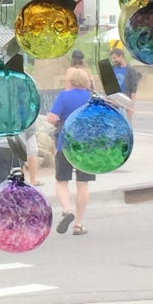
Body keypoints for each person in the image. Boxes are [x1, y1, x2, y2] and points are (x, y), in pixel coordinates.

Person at [46, 67, 95, 236]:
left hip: (66, 144)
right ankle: (78, 224)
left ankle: (67, 210)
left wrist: (60, 120)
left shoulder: (64, 96)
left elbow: (51, 118)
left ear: (71, 81)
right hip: (86, 146)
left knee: (62, 181)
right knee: (83, 183)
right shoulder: (92, 98)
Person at [110, 46, 141, 121]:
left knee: (127, 123)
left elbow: (133, 90)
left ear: (121, 56)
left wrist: (131, 107)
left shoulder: (130, 70)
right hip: (114, 101)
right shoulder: (112, 69)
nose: (113, 60)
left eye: (115, 58)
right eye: (112, 58)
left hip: (125, 100)